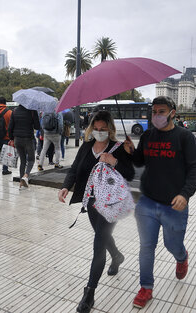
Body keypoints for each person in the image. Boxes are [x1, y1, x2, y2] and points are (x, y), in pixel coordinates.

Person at [127, 96, 196, 309]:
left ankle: (182, 257)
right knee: (146, 247)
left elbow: (195, 168)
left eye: (161, 111)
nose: (156, 116)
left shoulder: (185, 137)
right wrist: (131, 151)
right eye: (154, 112)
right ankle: (146, 288)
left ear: (172, 113)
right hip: (147, 203)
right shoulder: (149, 135)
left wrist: (185, 194)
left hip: (174, 206)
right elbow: (140, 161)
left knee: (172, 245)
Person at [58, 111, 134, 313]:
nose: (100, 133)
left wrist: (115, 161)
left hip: (111, 203)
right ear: (91, 129)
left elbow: (131, 174)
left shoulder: (118, 148)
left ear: (110, 129)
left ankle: (89, 293)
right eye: (96, 129)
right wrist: (66, 186)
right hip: (90, 202)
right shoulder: (86, 147)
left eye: (103, 129)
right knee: (102, 236)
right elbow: (75, 169)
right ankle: (117, 256)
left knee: (99, 243)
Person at [8, 103, 40, 189]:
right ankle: (25, 176)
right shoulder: (32, 111)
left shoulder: (14, 111)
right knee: (31, 159)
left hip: (17, 139)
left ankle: (21, 182)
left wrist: (11, 138)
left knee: (23, 160)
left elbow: (10, 127)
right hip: (28, 139)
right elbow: (37, 127)